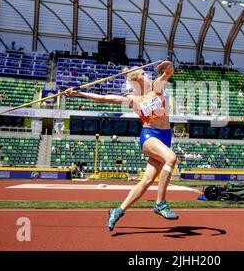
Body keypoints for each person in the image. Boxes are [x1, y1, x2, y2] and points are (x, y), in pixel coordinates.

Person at [65, 61, 179, 231]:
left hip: (165, 137)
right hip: (150, 136)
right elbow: (103, 98)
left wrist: (167, 65)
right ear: (136, 80)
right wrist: (79, 93)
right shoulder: (132, 100)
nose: (147, 75)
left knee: (146, 181)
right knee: (171, 158)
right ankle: (160, 203)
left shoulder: (157, 87)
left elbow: (169, 71)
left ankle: (117, 211)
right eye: (143, 74)